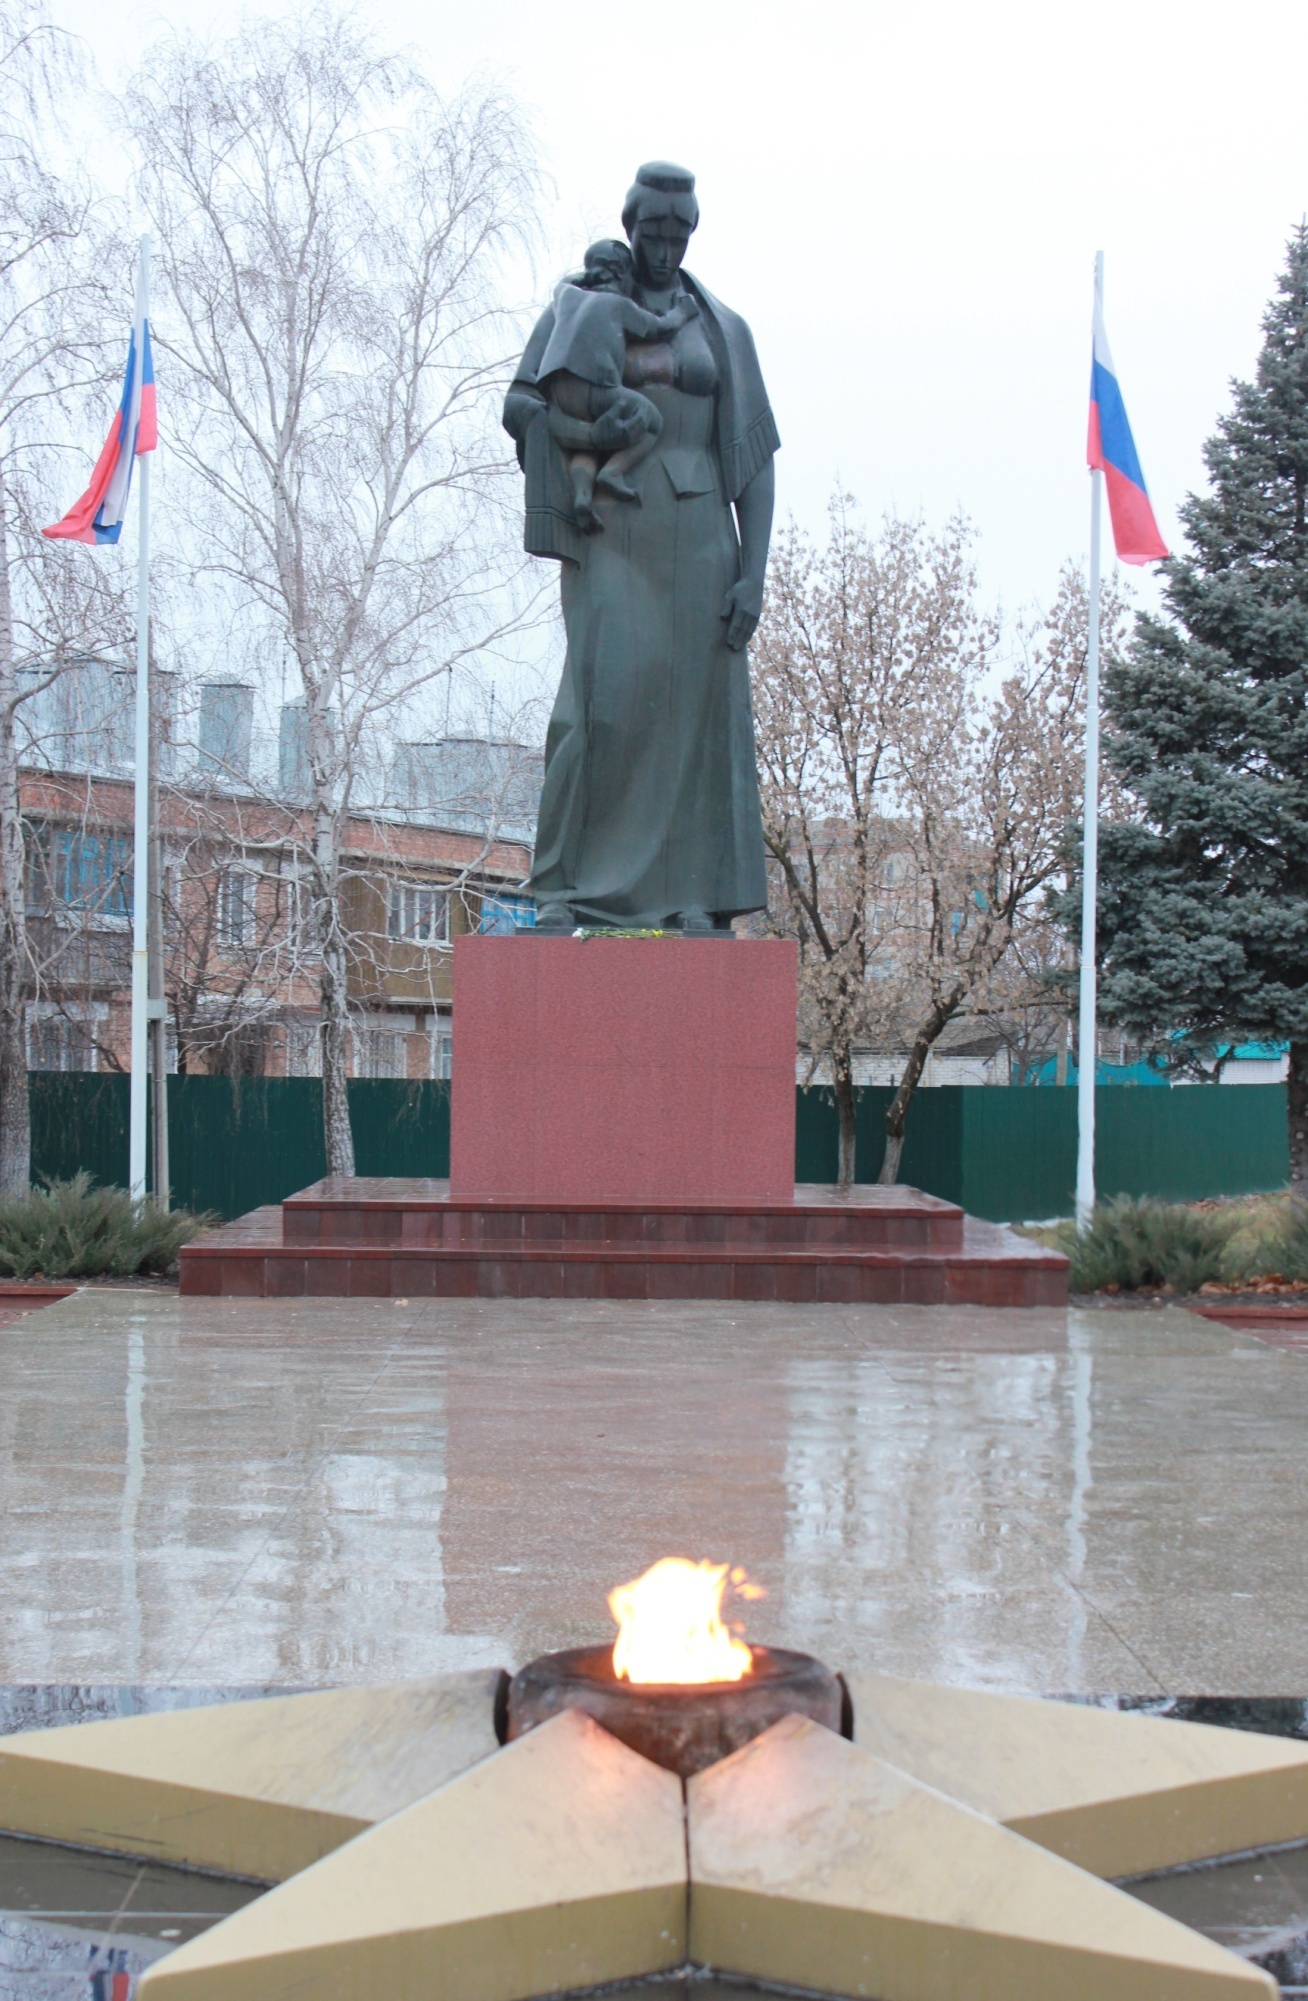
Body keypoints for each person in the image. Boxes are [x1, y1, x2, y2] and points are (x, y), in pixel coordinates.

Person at [504, 162, 779, 933]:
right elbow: (522, 399)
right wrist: (568, 435)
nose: (666, 246)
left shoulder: (723, 330)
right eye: (654, 231)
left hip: (699, 540)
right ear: (631, 226)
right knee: (601, 704)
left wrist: (751, 574)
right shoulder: (585, 302)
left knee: (694, 712)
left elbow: (754, 465)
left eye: (679, 233)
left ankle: (693, 897)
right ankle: (562, 888)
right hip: (611, 533)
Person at [538, 238, 699, 531]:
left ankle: (583, 496)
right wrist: (683, 312)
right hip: (594, 386)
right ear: (620, 272)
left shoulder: (565, 295)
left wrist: (587, 275)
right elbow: (659, 328)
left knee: (585, 449)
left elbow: (566, 281)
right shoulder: (619, 305)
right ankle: (613, 472)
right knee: (652, 421)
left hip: (557, 389)